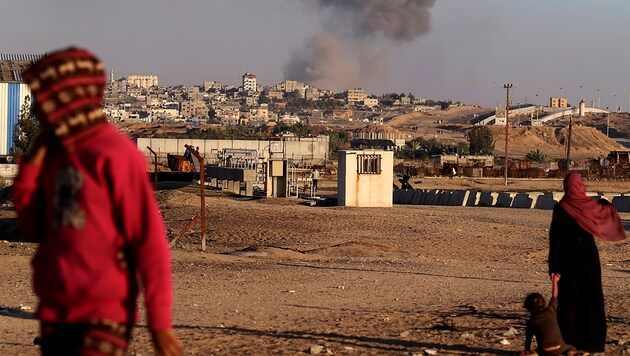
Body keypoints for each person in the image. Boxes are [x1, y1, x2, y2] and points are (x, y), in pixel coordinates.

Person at [12, 47, 183, 356]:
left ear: (66, 100)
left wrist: (159, 322)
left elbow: (149, 242)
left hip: (103, 313)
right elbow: (31, 225)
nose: (36, 111)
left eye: (43, 100)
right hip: (55, 311)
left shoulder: (113, 154)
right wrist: (33, 164)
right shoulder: (54, 156)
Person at [548, 173, 626, 354]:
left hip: (567, 260)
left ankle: (568, 343)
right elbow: (607, 210)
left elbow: (556, 240)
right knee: (591, 299)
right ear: (581, 186)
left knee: (568, 301)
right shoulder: (591, 207)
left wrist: (553, 267)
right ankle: (591, 344)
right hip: (589, 258)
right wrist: (606, 204)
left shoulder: (561, 208)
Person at [522, 274, 580, 356]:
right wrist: (554, 281)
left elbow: (528, 339)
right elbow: (554, 296)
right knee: (571, 347)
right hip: (559, 348)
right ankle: (572, 352)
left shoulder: (531, 322)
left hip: (544, 351)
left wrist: (526, 350)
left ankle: (533, 354)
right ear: (543, 302)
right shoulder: (551, 311)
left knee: (537, 351)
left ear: (528, 307)